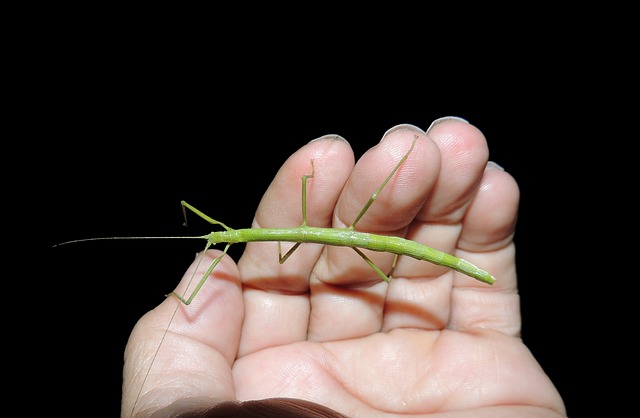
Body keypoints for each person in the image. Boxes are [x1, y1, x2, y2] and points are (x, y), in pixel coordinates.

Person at [121, 117, 566, 417]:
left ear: (222, 232)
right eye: (218, 239)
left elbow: (278, 250)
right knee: (359, 232)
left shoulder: (268, 242)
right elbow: (274, 248)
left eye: (218, 236)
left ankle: (402, 166)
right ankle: (401, 165)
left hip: (360, 239)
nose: (218, 238)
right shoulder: (257, 239)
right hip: (360, 242)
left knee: (371, 208)